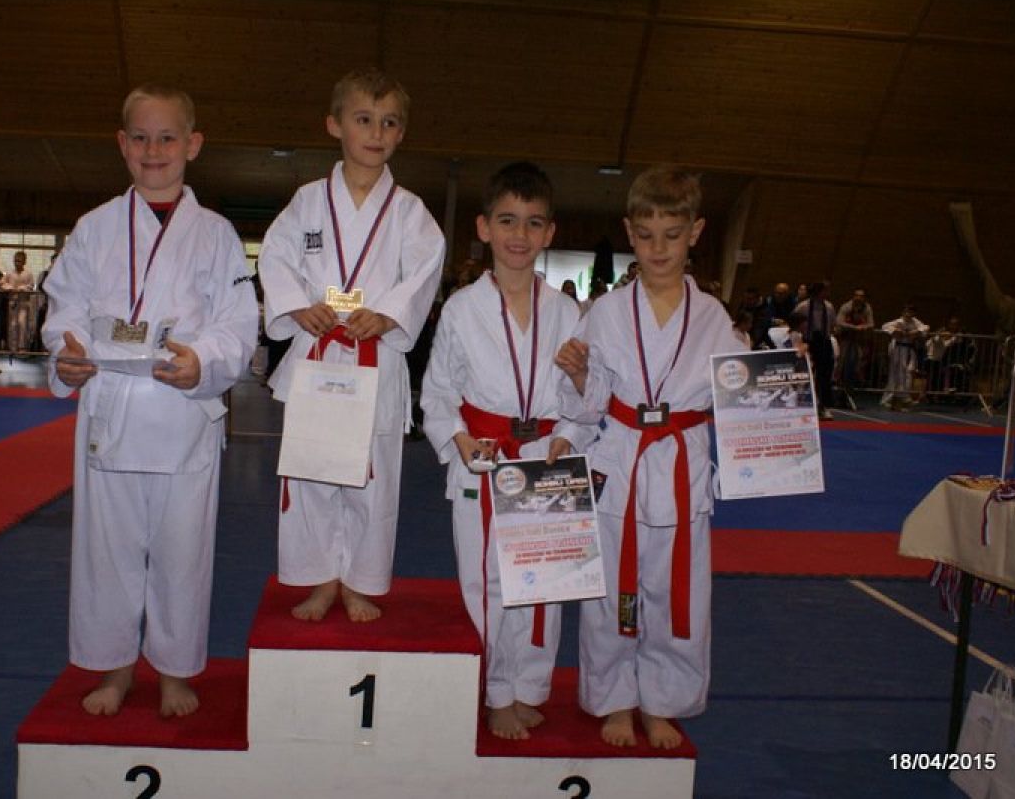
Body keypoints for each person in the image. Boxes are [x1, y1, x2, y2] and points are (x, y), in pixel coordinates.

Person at [41, 83, 258, 717]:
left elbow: (237, 321)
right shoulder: (94, 228)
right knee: (107, 553)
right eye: (140, 137)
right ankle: (113, 668)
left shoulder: (216, 234)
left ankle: (173, 671)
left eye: (167, 137)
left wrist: (204, 362)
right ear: (121, 144)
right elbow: (64, 307)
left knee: (180, 553)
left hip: (181, 412)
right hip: (109, 407)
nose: (153, 150)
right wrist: (68, 353)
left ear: (193, 144)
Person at [554, 165, 746, 749]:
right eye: (645, 235)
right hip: (621, 463)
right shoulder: (607, 311)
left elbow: (736, 395)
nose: (658, 248)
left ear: (696, 233)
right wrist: (581, 377)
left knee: (676, 595)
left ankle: (664, 700)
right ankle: (615, 698)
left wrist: (779, 383)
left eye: (672, 234)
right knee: (612, 593)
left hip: (682, 469)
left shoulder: (713, 319)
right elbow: (591, 402)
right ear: (629, 233)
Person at [259, 68, 444, 623]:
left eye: (389, 123)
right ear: (334, 124)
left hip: (375, 358)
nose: (376, 133)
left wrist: (388, 314)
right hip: (318, 353)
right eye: (364, 119)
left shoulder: (409, 211)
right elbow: (276, 256)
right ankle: (322, 580)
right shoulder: (308, 201)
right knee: (313, 475)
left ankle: (359, 581)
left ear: (401, 133)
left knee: (372, 478)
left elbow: (425, 270)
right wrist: (298, 304)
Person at [421, 162, 592, 741]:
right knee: (488, 582)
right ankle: (496, 692)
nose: (520, 234)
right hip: (486, 455)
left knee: (545, 582)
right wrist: (458, 438)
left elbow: (586, 395)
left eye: (533, 223)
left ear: (550, 233)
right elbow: (438, 393)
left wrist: (573, 425)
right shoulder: (461, 309)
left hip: (547, 452)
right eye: (508, 220)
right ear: (484, 227)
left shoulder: (568, 311)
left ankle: (529, 688)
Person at [792, 281, 836, 420]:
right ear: (818, 292)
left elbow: (832, 324)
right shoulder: (803, 306)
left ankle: (824, 406)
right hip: (808, 341)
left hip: (824, 342)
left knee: (825, 375)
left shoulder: (829, 307)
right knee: (806, 373)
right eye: (825, 290)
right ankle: (802, 404)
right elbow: (794, 321)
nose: (827, 293)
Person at [880, 303, 928, 410]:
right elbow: (884, 326)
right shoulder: (898, 322)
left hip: (909, 349)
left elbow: (925, 328)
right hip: (898, 348)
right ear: (903, 312)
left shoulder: (915, 322)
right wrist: (895, 330)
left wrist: (917, 332)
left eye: (911, 312)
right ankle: (888, 399)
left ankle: (904, 397)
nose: (908, 314)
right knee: (895, 374)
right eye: (907, 311)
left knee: (908, 373)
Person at [835, 288, 874, 390]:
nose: (859, 298)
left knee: (861, 359)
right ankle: (837, 380)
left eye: (861, 296)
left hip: (859, 338)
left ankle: (857, 381)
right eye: (857, 295)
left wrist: (863, 327)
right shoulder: (846, 307)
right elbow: (839, 321)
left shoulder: (867, 308)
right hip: (845, 337)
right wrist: (853, 327)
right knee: (842, 359)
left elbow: (871, 323)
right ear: (853, 296)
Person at [2, 250, 36, 355]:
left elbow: (31, 286)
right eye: (16, 261)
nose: (17, 263)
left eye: (19, 261)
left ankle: (22, 346)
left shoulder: (28, 274)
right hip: (12, 303)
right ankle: (12, 346)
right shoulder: (9, 273)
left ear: (24, 262)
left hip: (23, 303)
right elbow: (2, 283)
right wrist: (9, 287)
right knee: (13, 325)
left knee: (22, 323)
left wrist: (23, 288)